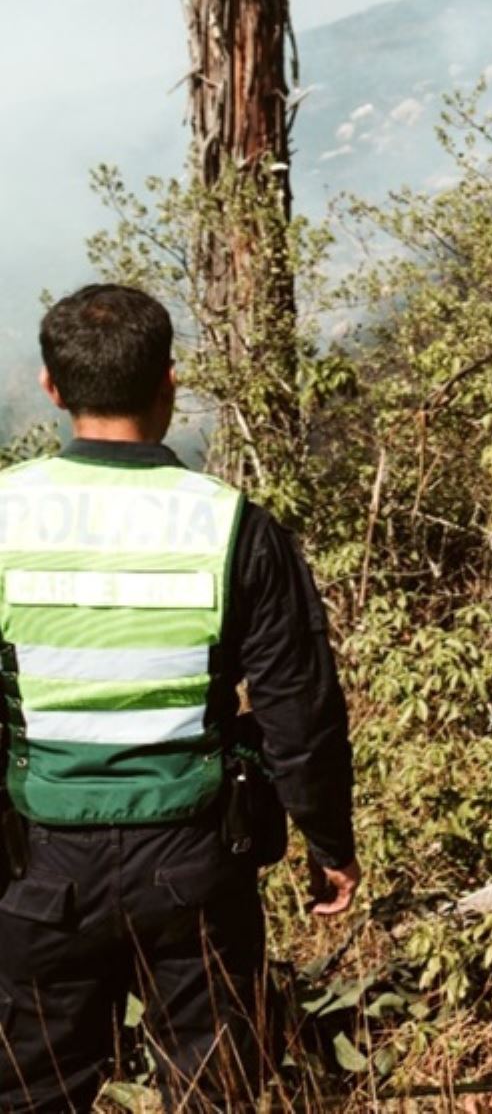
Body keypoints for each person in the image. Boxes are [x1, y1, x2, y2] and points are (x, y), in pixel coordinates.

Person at [0, 284, 359, 1111]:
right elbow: (299, 709)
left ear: (54, 390)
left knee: (31, 1090)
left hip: (37, 868)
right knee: (215, 1083)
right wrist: (328, 840)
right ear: (171, 380)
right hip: (195, 866)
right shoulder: (232, 525)